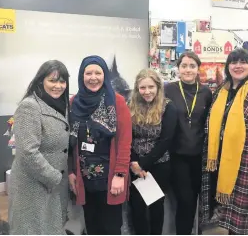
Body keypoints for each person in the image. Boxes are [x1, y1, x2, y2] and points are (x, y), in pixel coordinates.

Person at [200, 48, 248, 235]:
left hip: (246, 165)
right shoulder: (220, 90)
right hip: (218, 161)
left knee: (240, 219)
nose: (238, 66)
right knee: (224, 212)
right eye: (234, 62)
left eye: (243, 62)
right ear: (228, 66)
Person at [68, 55, 132, 235]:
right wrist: (72, 171)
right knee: (92, 226)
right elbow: (71, 142)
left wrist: (120, 174)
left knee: (111, 228)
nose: (93, 77)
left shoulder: (117, 102)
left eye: (98, 72)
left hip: (110, 178)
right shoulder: (74, 103)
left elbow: (125, 141)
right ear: (82, 75)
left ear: (105, 75)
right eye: (88, 73)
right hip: (85, 178)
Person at [8, 60, 70, 235]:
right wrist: (54, 177)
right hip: (33, 187)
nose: (58, 86)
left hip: (51, 187)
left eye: (62, 81)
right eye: (52, 80)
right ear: (41, 80)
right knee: (32, 229)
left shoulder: (60, 105)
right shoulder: (30, 106)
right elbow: (27, 152)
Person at [165, 51, 213, 235]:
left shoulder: (206, 92)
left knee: (198, 199)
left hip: (201, 156)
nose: (187, 70)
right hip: (177, 154)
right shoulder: (169, 89)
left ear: (198, 68)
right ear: (178, 68)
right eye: (184, 66)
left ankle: (195, 230)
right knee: (185, 200)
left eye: (192, 66)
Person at [128, 69, 177, 235]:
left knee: (156, 207)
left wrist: (143, 164)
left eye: (151, 87)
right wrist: (134, 162)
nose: (147, 91)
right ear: (137, 89)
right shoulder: (130, 106)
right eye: (142, 88)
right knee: (137, 208)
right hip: (134, 165)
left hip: (159, 165)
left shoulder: (168, 108)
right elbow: (127, 136)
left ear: (158, 87)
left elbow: (166, 140)